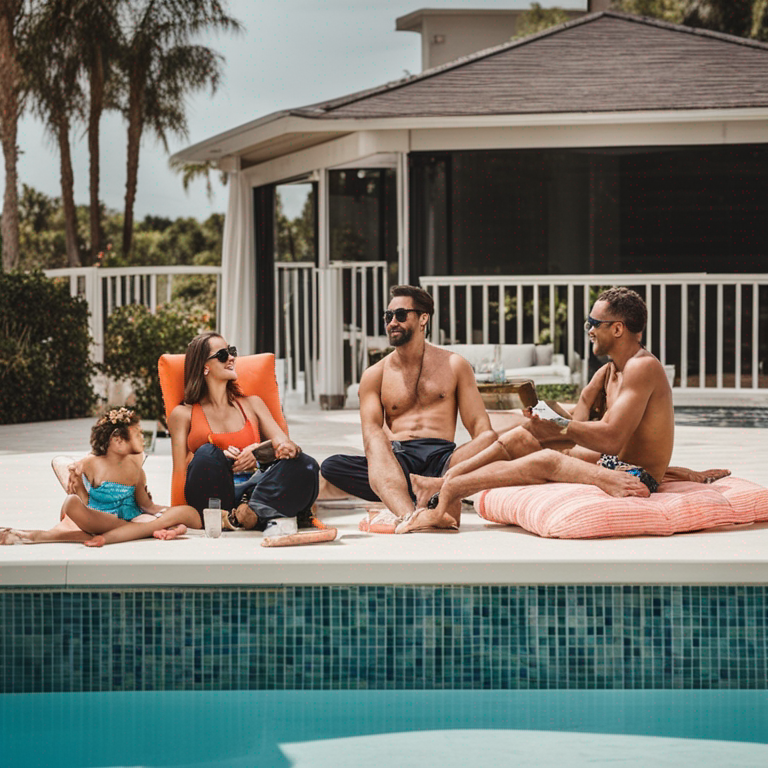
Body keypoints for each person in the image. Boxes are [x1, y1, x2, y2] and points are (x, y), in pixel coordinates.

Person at [402, 286, 730, 533]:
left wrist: (558, 427)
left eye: (593, 322)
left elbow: (612, 437)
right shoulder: (609, 371)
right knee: (524, 435)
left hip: (634, 477)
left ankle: (450, 489)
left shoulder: (642, 368)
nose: (588, 329)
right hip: (611, 462)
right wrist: (546, 422)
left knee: (547, 460)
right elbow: (580, 420)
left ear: (617, 328)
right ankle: (443, 480)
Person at [320, 285, 498, 529]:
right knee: (338, 462)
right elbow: (371, 432)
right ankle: (413, 514)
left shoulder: (455, 365)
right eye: (388, 316)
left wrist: (466, 462)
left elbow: (480, 427)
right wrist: (383, 455)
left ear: (423, 318)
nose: (392, 322)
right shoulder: (375, 374)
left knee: (491, 440)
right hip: (399, 459)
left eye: (401, 315)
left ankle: (417, 496)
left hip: (444, 458)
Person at [168, 332, 320, 535]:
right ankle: (259, 513)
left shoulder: (252, 403)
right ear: (205, 366)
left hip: (255, 490)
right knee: (207, 454)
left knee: (306, 464)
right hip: (215, 493)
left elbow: (289, 448)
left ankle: (245, 515)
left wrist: (258, 453)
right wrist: (219, 458)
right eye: (222, 354)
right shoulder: (183, 414)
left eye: (232, 352)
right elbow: (180, 471)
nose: (231, 358)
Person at [0, 407, 200, 546]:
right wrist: (77, 482)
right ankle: (25, 535)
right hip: (97, 518)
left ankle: (147, 529)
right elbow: (84, 501)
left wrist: (167, 512)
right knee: (70, 503)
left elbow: (147, 505)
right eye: (137, 433)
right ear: (117, 441)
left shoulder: (137, 470)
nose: (142, 437)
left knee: (186, 514)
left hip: (129, 520)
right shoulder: (91, 464)